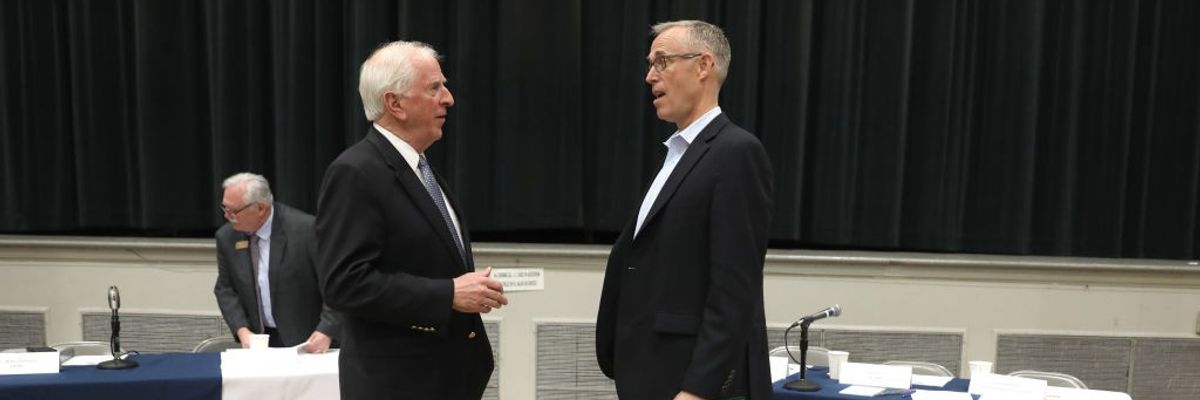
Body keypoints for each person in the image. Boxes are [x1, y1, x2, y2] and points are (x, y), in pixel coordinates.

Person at [315, 41, 507, 400]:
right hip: (398, 383)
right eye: (435, 88)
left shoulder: (419, 167)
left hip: (443, 378)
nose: (448, 98)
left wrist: (465, 289)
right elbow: (343, 283)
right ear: (395, 103)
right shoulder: (355, 172)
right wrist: (448, 293)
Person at [595, 20, 775, 399]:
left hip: (689, 383)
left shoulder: (735, 153)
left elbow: (734, 290)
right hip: (650, 372)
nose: (649, 76)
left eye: (661, 62)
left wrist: (698, 390)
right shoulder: (679, 155)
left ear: (703, 66)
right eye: (649, 64)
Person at [213, 172, 340, 352]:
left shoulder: (306, 231)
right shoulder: (227, 237)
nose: (227, 216)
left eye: (233, 211)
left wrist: (327, 330)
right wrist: (242, 330)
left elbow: (336, 284)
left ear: (261, 209)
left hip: (309, 341)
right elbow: (225, 289)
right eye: (225, 208)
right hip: (260, 343)